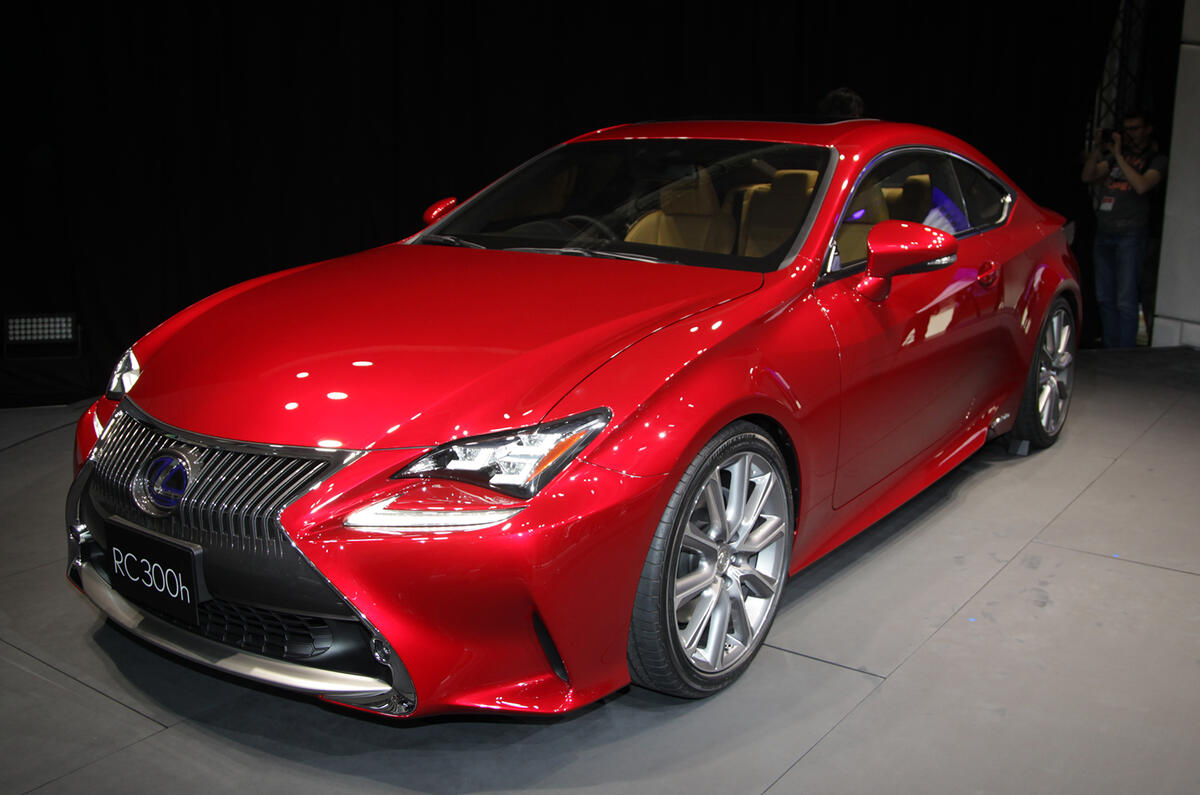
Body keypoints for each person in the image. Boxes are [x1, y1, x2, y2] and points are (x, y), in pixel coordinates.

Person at [1081, 110, 1167, 347]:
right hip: (1105, 231)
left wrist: (1118, 155)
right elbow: (1088, 176)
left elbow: (1142, 186)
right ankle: (1110, 347)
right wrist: (1100, 150)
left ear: (1148, 129)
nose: (1131, 134)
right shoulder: (1117, 157)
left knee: (1125, 298)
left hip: (1131, 233)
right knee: (1104, 296)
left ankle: (1126, 352)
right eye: (1127, 129)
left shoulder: (1155, 158)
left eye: (1136, 128)